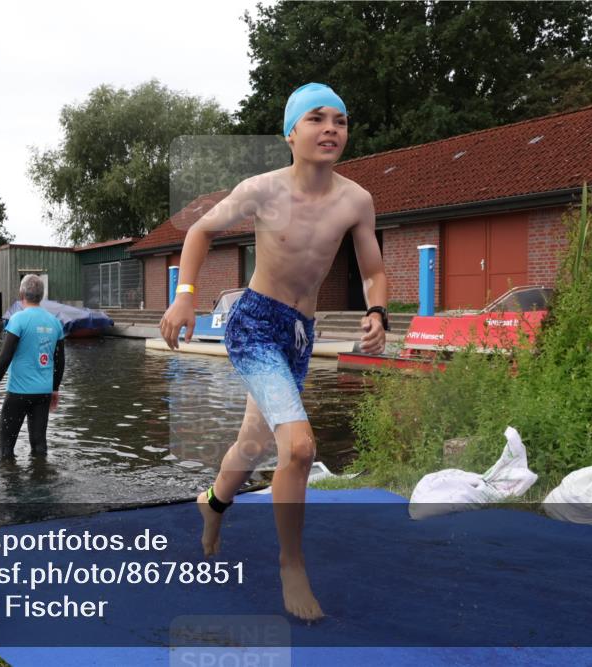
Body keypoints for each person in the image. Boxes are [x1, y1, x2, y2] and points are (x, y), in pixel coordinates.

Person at [159, 83, 388, 621]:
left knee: (252, 444)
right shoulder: (262, 190)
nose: (331, 128)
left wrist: (378, 312)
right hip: (255, 324)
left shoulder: (357, 200)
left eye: (341, 120)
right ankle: (291, 565)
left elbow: (374, 270)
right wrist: (185, 298)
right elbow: (200, 230)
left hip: (299, 334)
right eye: (316, 119)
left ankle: (212, 503)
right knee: (301, 448)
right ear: (291, 133)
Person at [0, 274, 65, 460]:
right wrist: (55, 389)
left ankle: (10, 486)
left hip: (18, 392)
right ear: (42, 295)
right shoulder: (55, 322)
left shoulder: (18, 319)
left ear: (21, 293)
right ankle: (40, 480)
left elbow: (5, 357)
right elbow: (60, 361)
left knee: (5, 449)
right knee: (39, 446)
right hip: (43, 393)